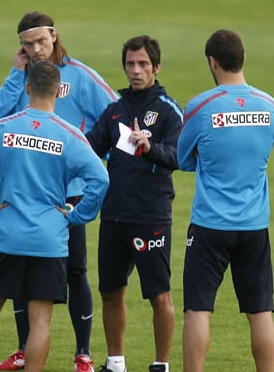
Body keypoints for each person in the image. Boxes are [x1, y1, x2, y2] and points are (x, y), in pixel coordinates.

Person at [0, 10, 117, 372]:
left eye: (41, 41)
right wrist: (15, 73)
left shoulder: (81, 75)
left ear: (54, 35)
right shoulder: (24, 81)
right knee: (20, 276)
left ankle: (83, 354)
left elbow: (115, 117)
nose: (36, 49)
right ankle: (24, 350)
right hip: (24, 194)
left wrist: (92, 157)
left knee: (75, 271)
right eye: (28, 44)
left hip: (68, 197)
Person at [0, 60, 109, 372]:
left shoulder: (3, 129)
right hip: (48, 240)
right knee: (40, 321)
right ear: (57, 92)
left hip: (7, 237)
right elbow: (101, 180)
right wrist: (78, 215)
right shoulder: (70, 136)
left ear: (27, 88)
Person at [177, 29, 274, 372]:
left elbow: (183, 157)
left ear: (212, 62)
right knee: (260, 311)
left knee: (198, 309)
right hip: (254, 225)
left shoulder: (200, 105)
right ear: (243, 58)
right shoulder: (269, 105)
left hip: (209, 224)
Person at [85, 35, 182, 372]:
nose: (135, 70)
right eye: (130, 64)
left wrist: (149, 147)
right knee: (111, 291)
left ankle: (161, 364)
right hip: (113, 215)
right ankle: (115, 363)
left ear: (156, 67)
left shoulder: (168, 110)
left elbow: (179, 155)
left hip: (150, 215)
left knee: (159, 295)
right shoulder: (115, 110)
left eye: (142, 64)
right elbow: (88, 149)